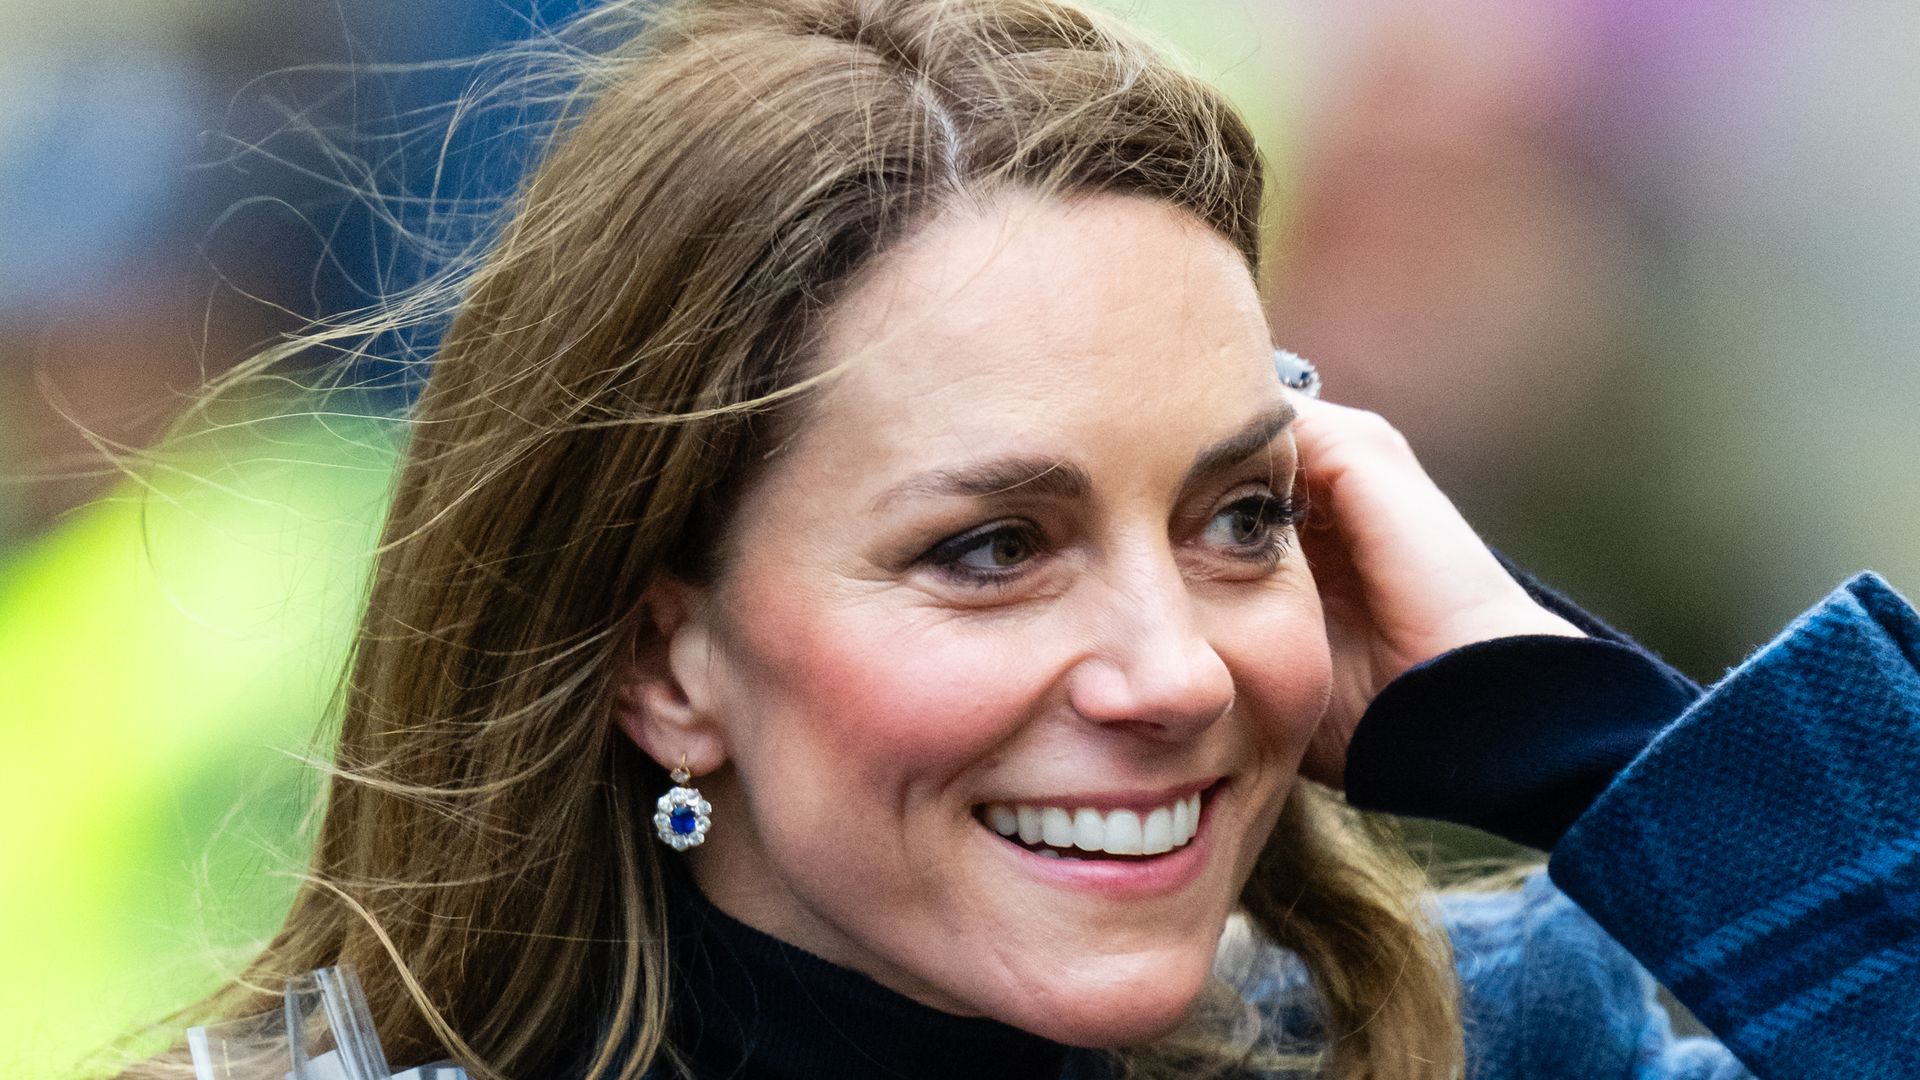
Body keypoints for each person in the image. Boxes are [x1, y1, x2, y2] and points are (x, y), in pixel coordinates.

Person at [114, 0, 1920, 1077]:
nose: (1175, 673)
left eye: (1239, 518)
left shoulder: (1484, 1043)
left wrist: (1595, 741)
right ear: (667, 661)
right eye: (993, 547)